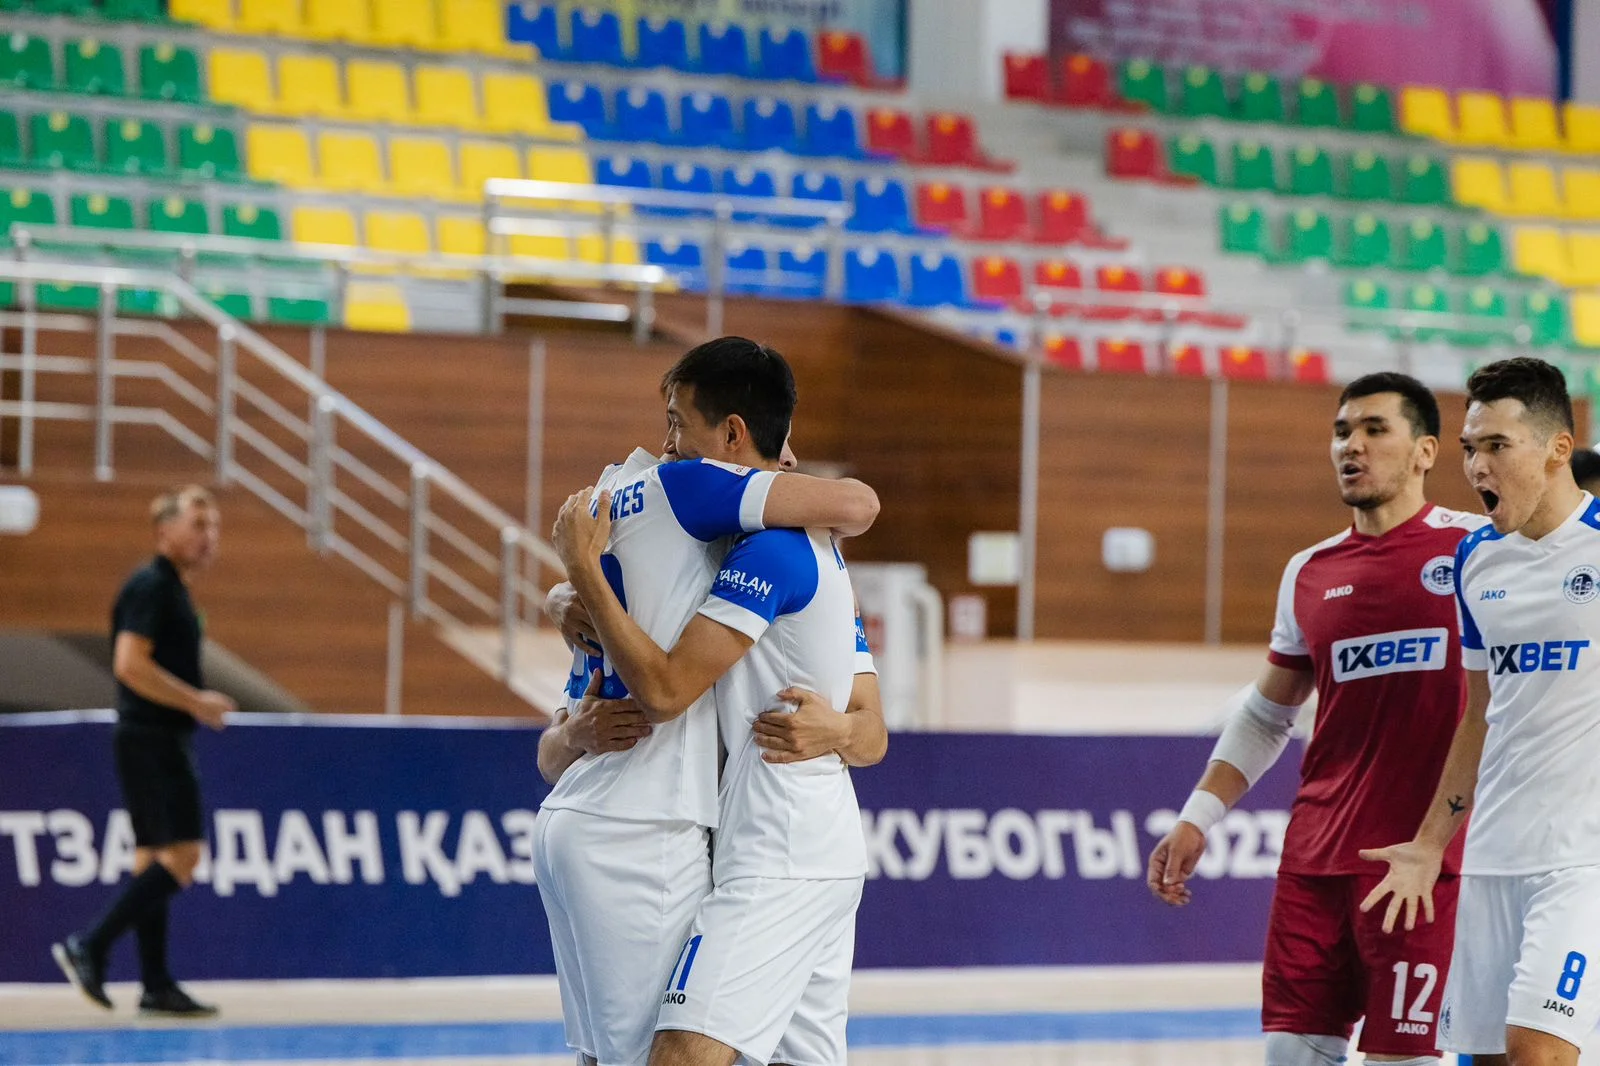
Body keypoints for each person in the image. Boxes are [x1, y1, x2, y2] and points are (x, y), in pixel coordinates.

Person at [531, 337, 882, 1066]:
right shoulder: (758, 545)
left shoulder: (769, 546)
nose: (665, 445)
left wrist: (580, 579)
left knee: (675, 1055)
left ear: (731, 437)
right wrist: (569, 595)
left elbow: (664, 690)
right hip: (782, 841)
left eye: (676, 422)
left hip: (775, 851)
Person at [1146, 373, 1486, 1066]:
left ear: (1425, 451)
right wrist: (1198, 815)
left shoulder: (1477, 551)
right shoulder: (1309, 570)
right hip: (1313, 866)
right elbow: (1268, 713)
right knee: (1289, 1056)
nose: (1350, 446)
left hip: (1422, 867)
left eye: (1373, 430)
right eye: (1341, 432)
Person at [1362, 357, 1600, 1066]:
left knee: (1537, 1048)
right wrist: (1433, 841)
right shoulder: (1476, 563)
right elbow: (1479, 714)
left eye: (1498, 446)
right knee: (1490, 1057)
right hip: (1495, 854)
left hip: (1582, 858)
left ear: (1558, 448)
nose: (1476, 466)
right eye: (1470, 448)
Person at [52, 485, 234, 1017]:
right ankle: (91, 944)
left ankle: (155, 983)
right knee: (184, 854)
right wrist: (196, 701)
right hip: (152, 736)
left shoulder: (170, 588)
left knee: (152, 858)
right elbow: (129, 664)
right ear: (165, 532)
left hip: (151, 737)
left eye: (215, 527)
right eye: (198, 525)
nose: (209, 538)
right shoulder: (151, 586)